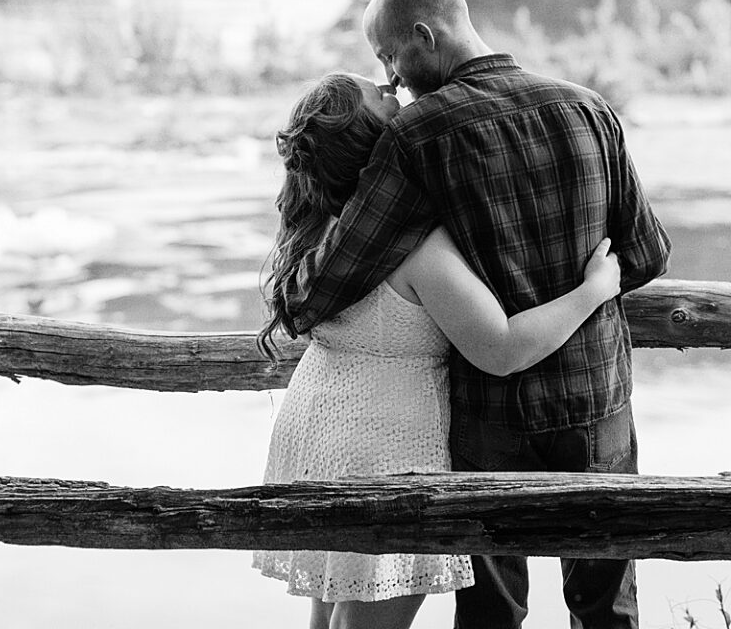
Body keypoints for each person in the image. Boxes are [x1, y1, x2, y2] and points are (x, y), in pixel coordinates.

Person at [282, 0, 672, 629]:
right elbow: (647, 253)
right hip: (596, 398)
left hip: (493, 415)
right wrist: (583, 290)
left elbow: (332, 277)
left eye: (389, 58)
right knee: (607, 607)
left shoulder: (417, 133)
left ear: (424, 35)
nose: (394, 80)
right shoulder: (589, 108)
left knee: (492, 614)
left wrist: (291, 278)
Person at [254, 71, 623, 629]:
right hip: (382, 448)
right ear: (372, 141)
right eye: (380, 96)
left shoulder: (322, 225)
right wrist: (593, 290)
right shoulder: (413, 243)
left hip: (319, 423)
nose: (390, 86)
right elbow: (499, 348)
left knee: (332, 621)